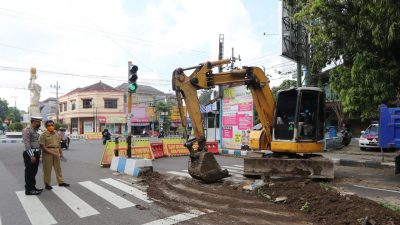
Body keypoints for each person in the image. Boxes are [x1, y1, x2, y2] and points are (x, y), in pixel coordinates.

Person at [40, 120, 70, 190]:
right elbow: (43, 147)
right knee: (47, 169)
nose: (51, 126)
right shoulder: (43, 135)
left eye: (52, 125)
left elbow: (58, 144)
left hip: (56, 151)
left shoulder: (56, 133)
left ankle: (61, 182)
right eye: (49, 125)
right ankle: (47, 184)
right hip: (47, 152)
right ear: (46, 126)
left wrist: (61, 153)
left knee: (58, 168)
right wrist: (53, 153)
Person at [22, 116, 44, 195]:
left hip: (36, 153)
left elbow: (38, 142)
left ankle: (33, 187)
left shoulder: (36, 131)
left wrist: (39, 153)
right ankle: (28, 190)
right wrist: (31, 155)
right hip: (29, 153)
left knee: (34, 171)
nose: (39, 124)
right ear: (33, 122)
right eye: (38, 122)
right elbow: (27, 143)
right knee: (29, 172)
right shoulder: (27, 130)